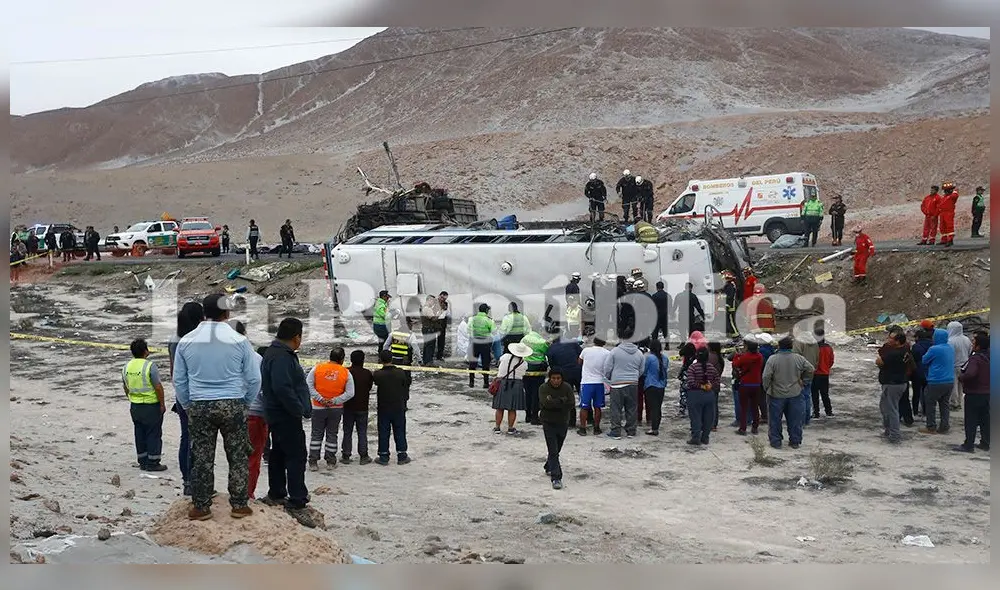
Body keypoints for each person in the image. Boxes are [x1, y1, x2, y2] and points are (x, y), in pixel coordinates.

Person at [173, 294, 261, 521]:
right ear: (227, 313)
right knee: (238, 456)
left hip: (200, 404)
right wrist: (245, 404)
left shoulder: (187, 340)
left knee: (202, 456)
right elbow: (254, 378)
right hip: (232, 402)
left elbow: (179, 380)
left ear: (204, 313)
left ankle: (201, 507)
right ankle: (239, 505)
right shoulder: (239, 340)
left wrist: (187, 405)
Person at [260, 317, 315, 527]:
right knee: (296, 455)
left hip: (277, 413)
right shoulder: (281, 357)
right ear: (296, 337)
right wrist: (298, 409)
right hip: (284, 414)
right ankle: (297, 502)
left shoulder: (277, 353)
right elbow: (282, 387)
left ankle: (277, 492)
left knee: (279, 453)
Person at [169, 301, 204, 496]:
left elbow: (174, 372)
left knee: (187, 437)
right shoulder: (193, 340)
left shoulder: (175, 338)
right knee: (197, 439)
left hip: (181, 393)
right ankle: (195, 481)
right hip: (197, 393)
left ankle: (188, 481)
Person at [306, 347, 355, 471]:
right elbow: (350, 393)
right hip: (336, 409)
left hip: (318, 407)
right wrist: (334, 401)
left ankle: (313, 462)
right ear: (342, 359)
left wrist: (320, 398)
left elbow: (308, 384)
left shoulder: (317, 368)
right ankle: (330, 461)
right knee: (332, 434)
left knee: (316, 434)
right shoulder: (345, 372)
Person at [122, 338, 167, 471]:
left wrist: (130, 398)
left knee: (139, 432)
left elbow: (125, 386)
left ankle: (142, 460)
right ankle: (153, 462)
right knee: (153, 433)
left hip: (135, 406)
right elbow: (158, 387)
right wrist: (162, 403)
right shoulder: (149, 366)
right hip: (150, 405)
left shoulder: (126, 367)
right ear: (145, 351)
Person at [762, 336, 814, 449]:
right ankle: (795, 441)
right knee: (795, 420)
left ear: (779, 346)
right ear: (791, 346)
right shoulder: (798, 358)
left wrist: (767, 388)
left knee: (775, 420)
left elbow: (766, 376)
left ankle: (776, 442)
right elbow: (810, 369)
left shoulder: (772, 359)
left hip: (776, 394)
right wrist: (804, 381)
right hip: (795, 393)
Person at [372, 350, 411, 464]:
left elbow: (375, 382)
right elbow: (407, 383)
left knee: (383, 431)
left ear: (381, 360)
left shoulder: (378, 374)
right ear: (392, 359)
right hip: (398, 406)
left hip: (384, 407)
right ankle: (402, 455)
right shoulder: (400, 373)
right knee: (400, 430)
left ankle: (384, 456)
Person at [953, 331, 990, 452]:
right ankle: (985, 442)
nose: (972, 344)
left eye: (974, 342)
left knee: (971, 420)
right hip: (987, 393)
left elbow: (970, 373)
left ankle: (968, 444)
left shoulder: (976, 358)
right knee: (985, 419)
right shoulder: (990, 356)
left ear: (978, 346)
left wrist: (961, 378)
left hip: (974, 393)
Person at [876, 332, 915, 444]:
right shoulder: (905, 350)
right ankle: (889, 431)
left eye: (891, 338)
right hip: (901, 382)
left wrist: (879, 357)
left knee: (891, 409)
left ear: (897, 341)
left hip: (892, 384)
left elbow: (879, 361)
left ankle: (894, 435)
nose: (888, 339)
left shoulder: (894, 354)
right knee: (885, 407)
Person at [539, 369, 575, 490]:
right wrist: (562, 401)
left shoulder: (567, 387)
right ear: (550, 378)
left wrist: (554, 401)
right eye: (553, 378)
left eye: (558, 378)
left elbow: (571, 403)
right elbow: (545, 403)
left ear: (562, 378)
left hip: (563, 422)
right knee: (553, 450)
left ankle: (549, 465)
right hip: (548, 422)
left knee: (557, 448)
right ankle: (556, 477)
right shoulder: (544, 388)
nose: (556, 381)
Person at [602, 338, 644, 440]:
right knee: (632, 408)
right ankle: (631, 431)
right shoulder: (639, 353)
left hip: (617, 384)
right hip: (633, 383)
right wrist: (634, 377)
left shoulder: (615, 351)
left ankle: (616, 431)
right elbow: (641, 370)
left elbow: (607, 368)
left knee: (616, 408)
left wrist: (609, 377)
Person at [919, 328, 954, 435]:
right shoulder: (950, 348)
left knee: (930, 403)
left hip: (936, 380)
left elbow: (924, 360)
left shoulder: (934, 349)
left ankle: (931, 426)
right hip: (949, 380)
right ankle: (944, 426)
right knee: (944, 404)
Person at [341, 350, 373, 464]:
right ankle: (364, 456)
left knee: (347, 431)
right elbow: (369, 387)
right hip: (362, 406)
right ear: (363, 360)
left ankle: (346, 455)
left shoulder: (346, 372)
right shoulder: (367, 373)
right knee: (362, 432)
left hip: (348, 406)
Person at [492, 342, 531, 434]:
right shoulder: (524, 363)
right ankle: (510, 428)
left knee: (499, 407)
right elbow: (522, 374)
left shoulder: (505, 357)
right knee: (512, 408)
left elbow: (499, 362)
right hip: (516, 384)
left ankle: (497, 427)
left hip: (502, 382)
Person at [684, 347, 720, 446]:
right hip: (709, 395)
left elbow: (690, 382)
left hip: (695, 394)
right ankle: (705, 437)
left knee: (696, 417)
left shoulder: (692, 367)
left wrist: (700, 386)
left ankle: (696, 437)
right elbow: (717, 380)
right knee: (708, 417)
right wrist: (710, 385)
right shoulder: (712, 367)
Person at [546, 335, 583, 428]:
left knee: (568, 397)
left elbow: (552, 365)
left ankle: (571, 421)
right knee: (583, 395)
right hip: (578, 372)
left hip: (564, 374)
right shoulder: (573, 343)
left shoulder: (551, 348)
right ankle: (589, 417)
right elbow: (581, 356)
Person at [247, 345, 268, 499]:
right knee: (253, 457)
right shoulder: (258, 360)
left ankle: (238, 492)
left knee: (237, 456)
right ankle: (247, 494)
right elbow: (262, 389)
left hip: (234, 411)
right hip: (255, 414)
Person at [577, 338, 610, 436]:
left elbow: (579, 362)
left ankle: (583, 428)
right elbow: (608, 366)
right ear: (604, 342)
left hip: (586, 382)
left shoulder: (586, 350)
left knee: (584, 406)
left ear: (594, 341)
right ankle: (596, 428)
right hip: (599, 382)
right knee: (598, 407)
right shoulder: (607, 353)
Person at [732, 338, 764, 435]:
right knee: (755, 406)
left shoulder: (744, 357)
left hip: (745, 384)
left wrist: (737, 355)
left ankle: (743, 428)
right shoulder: (760, 357)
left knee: (744, 407)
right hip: (757, 384)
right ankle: (755, 427)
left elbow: (735, 364)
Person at [520, 330, 550, 425]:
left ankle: (527, 415)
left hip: (526, 368)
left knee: (527, 393)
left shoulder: (524, 339)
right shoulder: (542, 342)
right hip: (538, 369)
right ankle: (534, 417)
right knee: (536, 394)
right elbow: (547, 352)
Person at [382, 328, 420, 404]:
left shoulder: (393, 333)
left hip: (393, 362)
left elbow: (385, 346)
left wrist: (385, 358)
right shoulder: (410, 335)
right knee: (405, 383)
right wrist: (419, 359)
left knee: (393, 382)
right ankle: (404, 402)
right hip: (405, 363)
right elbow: (415, 348)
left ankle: (393, 401)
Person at [793, 329, 820, 426]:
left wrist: (796, 374)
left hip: (800, 374)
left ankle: (801, 419)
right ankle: (806, 419)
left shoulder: (799, 342)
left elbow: (795, 358)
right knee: (807, 396)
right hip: (810, 372)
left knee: (799, 398)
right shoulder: (814, 342)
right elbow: (817, 358)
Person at [642, 340, 669, 436]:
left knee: (653, 407)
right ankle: (656, 426)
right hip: (661, 385)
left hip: (651, 385)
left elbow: (644, 371)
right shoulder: (665, 358)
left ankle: (654, 428)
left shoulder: (649, 358)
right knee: (658, 407)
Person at [909, 321, 935, 417]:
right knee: (927, 393)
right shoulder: (932, 345)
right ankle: (925, 410)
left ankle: (915, 411)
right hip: (929, 372)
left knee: (916, 393)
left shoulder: (916, 347)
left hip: (917, 372)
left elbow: (913, 360)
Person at [468, 304, 495, 389]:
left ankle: (471, 382)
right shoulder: (489, 320)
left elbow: (468, 330)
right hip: (485, 344)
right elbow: (494, 331)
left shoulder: (472, 319)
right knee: (485, 363)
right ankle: (486, 383)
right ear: (486, 311)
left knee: (472, 362)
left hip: (475, 342)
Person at [947, 321, 972, 411]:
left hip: (953, 365)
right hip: (965, 365)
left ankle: (954, 403)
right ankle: (959, 401)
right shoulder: (966, 339)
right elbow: (970, 351)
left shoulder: (950, 341)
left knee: (953, 385)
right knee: (961, 385)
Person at [812, 329, 835, 418]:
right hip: (825, 374)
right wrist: (826, 368)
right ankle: (828, 411)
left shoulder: (813, 348)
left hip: (815, 374)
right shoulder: (828, 348)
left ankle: (816, 412)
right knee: (825, 394)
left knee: (814, 395)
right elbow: (831, 361)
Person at [707, 341, 725, 430]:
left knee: (709, 405)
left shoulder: (710, 357)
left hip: (708, 384)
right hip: (716, 384)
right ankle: (714, 424)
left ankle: (709, 423)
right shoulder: (719, 357)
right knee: (714, 405)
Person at [420, 295, 442, 365]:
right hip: (429, 329)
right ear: (429, 300)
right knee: (430, 346)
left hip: (426, 328)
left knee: (427, 345)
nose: (433, 303)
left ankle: (425, 360)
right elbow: (433, 319)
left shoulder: (424, 307)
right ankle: (428, 362)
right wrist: (439, 314)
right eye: (433, 301)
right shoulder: (427, 308)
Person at [937, 182, 959, 247]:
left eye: (947, 190)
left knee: (949, 226)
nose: (945, 192)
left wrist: (953, 189)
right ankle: (944, 239)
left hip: (949, 213)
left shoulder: (952, 196)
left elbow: (956, 195)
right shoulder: (944, 197)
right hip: (942, 213)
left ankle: (950, 240)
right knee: (942, 227)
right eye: (945, 191)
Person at [650, 281, 671, 346]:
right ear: (663, 287)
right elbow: (670, 305)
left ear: (657, 287)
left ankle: (654, 345)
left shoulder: (654, 296)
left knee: (655, 331)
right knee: (665, 330)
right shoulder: (668, 295)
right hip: (665, 315)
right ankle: (667, 345)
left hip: (656, 316)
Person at [721, 272, 739, 339]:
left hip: (730, 306)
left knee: (731, 321)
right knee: (729, 321)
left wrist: (723, 297)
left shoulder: (730, 286)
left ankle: (736, 335)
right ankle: (733, 334)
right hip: (728, 305)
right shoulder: (728, 286)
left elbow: (730, 297)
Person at [435, 291, 451, 360]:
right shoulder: (434, 302)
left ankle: (439, 355)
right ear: (439, 296)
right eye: (442, 298)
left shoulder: (446, 304)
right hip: (434, 321)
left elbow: (448, 313)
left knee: (441, 340)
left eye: (445, 299)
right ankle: (429, 356)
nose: (443, 300)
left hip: (442, 322)